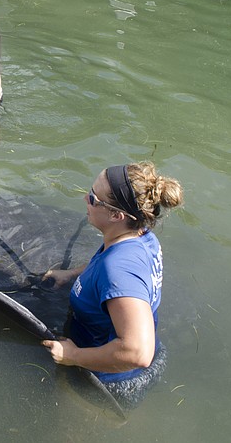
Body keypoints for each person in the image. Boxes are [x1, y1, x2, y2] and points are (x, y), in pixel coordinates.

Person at [42, 162, 183, 409]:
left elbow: (137, 352)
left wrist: (72, 356)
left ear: (117, 215)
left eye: (94, 199)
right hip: (121, 363)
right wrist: (72, 274)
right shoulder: (140, 235)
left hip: (107, 380)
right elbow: (109, 263)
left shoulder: (119, 270)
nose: (86, 198)